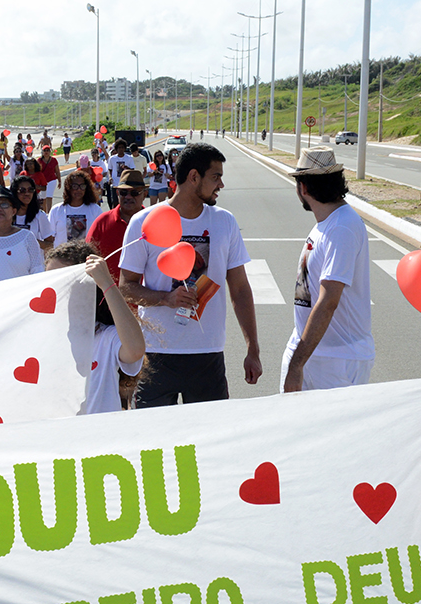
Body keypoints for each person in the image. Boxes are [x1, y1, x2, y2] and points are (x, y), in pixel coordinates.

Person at [118, 143, 261, 406]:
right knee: (155, 441)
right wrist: (166, 298)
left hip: (208, 354)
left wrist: (253, 349)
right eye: (215, 177)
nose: (221, 184)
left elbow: (240, 289)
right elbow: (126, 286)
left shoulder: (224, 221)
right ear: (194, 177)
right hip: (157, 353)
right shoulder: (144, 222)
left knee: (208, 441)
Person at [280, 147, 374, 393]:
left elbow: (329, 299)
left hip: (335, 361)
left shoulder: (341, 227)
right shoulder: (329, 223)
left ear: (304, 188)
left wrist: (296, 364)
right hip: (317, 354)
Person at [45, 240, 145, 414]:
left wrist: (106, 283)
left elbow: (135, 350)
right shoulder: (44, 335)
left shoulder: (106, 337)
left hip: (101, 436)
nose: (54, 287)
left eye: (62, 280)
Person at [85, 168, 146, 281]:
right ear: (117, 193)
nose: (128, 197)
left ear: (145, 194)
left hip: (148, 296)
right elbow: (86, 259)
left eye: (134, 192)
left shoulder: (154, 223)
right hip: (108, 295)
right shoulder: (102, 223)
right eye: (123, 192)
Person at [49, 170, 103, 246]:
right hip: (62, 256)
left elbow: (101, 235)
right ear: (68, 188)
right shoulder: (56, 210)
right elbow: (50, 238)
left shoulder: (95, 209)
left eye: (82, 186)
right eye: (75, 186)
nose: (79, 189)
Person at [10, 176, 54, 250]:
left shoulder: (40, 215)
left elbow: (50, 245)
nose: (27, 193)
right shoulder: (7, 215)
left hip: (33, 261)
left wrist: (31, 241)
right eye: (22, 190)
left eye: (30, 190)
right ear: (14, 192)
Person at [106, 140, 136, 207]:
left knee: (124, 201)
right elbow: (110, 169)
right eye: (119, 147)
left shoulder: (129, 158)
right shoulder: (112, 158)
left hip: (125, 184)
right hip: (115, 184)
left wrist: (127, 167)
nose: (121, 149)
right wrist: (110, 177)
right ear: (116, 148)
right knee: (115, 202)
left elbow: (132, 170)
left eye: (122, 147)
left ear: (125, 148)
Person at [36, 145, 61, 212]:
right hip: (42, 182)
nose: (46, 152)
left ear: (50, 151)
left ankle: (49, 212)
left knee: (49, 197)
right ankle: (44, 211)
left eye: (48, 150)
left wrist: (59, 181)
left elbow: (57, 171)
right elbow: (36, 171)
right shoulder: (39, 160)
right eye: (45, 150)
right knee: (43, 198)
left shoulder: (53, 160)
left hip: (51, 180)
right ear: (42, 152)